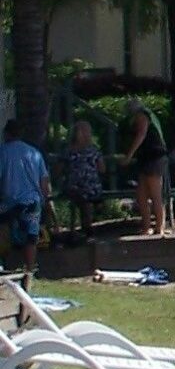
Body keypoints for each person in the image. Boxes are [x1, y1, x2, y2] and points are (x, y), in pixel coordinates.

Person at [0, 120, 51, 276]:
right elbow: (44, 181)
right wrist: (45, 201)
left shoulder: (3, 152)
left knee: (3, 231)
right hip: (32, 201)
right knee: (31, 237)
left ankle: (3, 265)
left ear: (6, 133)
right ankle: (29, 270)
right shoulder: (34, 153)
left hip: (9, 202)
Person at [120, 100, 167, 237]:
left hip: (155, 157)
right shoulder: (140, 117)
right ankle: (146, 227)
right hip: (145, 158)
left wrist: (129, 155)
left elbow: (141, 134)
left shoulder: (142, 116)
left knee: (155, 194)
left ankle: (160, 227)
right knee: (141, 195)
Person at [58, 118, 105, 242]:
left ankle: (87, 229)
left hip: (80, 185)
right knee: (85, 199)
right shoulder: (93, 149)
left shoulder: (69, 150)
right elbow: (102, 169)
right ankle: (88, 230)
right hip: (85, 186)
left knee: (84, 198)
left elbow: (58, 169)